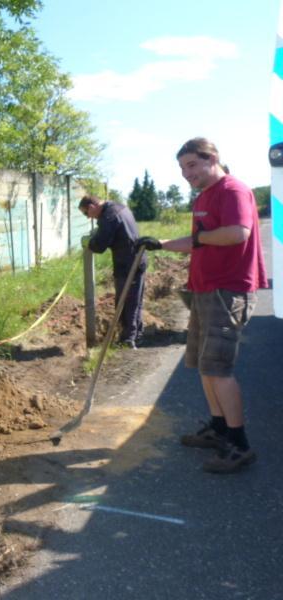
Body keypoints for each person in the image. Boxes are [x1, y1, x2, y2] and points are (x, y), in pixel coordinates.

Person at [138, 137, 268, 474]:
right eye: (182, 168)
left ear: (213, 159)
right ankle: (218, 428)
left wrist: (197, 239)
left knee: (218, 369)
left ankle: (239, 445)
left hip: (227, 291)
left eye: (192, 165)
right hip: (204, 290)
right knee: (202, 365)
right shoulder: (205, 196)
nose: (186, 173)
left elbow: (237, 233)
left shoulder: (232, 190)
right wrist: (161, 243)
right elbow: (199, 243)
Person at [79, 194, 147, 349]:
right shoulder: (119, 207)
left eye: (85, 213)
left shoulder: (108, 217)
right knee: (134, 299)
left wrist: (89, 242)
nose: (87, 217)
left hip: (128, 263)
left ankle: (128, 340)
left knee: (126, 301)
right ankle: (136, 334)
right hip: (136, 259)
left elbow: (100, 246)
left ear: (92, 207)